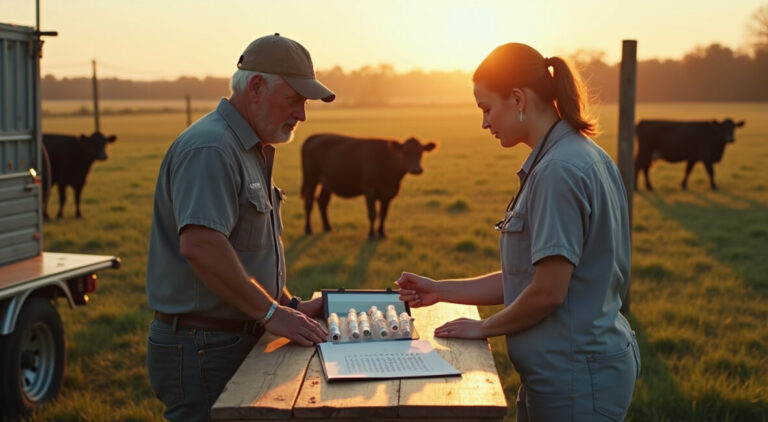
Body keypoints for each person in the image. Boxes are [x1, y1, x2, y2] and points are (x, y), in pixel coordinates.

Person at [397, 43, 640, 421]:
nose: (484, 123)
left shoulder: (558, 170)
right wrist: (441, 290)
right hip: (572, 372)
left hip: (575, 379)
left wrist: (484, 329)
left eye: (486, 109)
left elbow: (548, 292)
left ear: (517, 98)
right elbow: (530, 277)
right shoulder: (576, 153)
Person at [145, 33, 333, 422]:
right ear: (257, 87)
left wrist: (289, 305)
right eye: (295, 99)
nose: (302, 115)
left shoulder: (247, 147)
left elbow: (244, 251)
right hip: (204, 347)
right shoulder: (212, 148)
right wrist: (272, 314)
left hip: (226, 339)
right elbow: (202, 246)